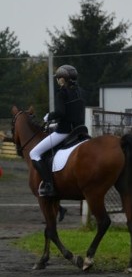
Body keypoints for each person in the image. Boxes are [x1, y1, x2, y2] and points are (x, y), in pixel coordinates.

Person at [30, 65, 85, 197]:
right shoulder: (80, 91)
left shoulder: (62, 93)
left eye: (59, 78)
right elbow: (71, 113)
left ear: (62, 80)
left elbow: (60, 112)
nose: (58, 80)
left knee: (34, 153)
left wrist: (49, 116)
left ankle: (48, 184)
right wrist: (55, 123)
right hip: (79, 129)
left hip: (65, 131)